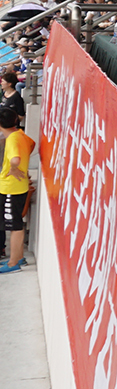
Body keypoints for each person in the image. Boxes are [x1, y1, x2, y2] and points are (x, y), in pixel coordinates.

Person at [0, 106, 33, 274]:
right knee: (16, 224)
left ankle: (13, 264)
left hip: (10, 188)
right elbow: (32, 145)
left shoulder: (12, 139)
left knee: (13, 226)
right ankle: (19, 258)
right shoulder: (21, 135)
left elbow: (15, 159)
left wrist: (14, 167)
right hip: (19, 187)